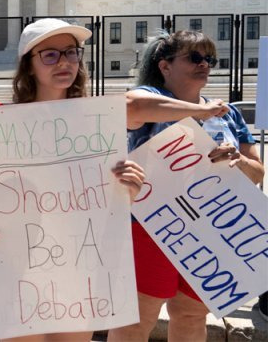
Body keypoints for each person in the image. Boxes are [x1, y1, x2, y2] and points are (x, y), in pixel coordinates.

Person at [0, 18, 147, 342]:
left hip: (79, 273)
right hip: (21, 269)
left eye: (71, 52)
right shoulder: (7, 125)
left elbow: (109, 201)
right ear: (29, 65)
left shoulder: (97, 123)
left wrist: (131, 188)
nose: (65, 61)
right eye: (50, 55)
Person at [108, 30, 265, 342]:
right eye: (194, 57)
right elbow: (130, 106)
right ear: (165, 66)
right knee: (138, 320)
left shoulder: (228, 112)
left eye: (209, 58)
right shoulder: (151, 97)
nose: (204, 64)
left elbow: (257, 172)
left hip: (212, 232)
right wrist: (199, 112)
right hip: (153, 227)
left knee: (192, 315)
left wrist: (236, 161)